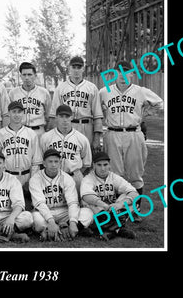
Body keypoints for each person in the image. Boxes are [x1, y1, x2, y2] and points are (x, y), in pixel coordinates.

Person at [99, 60, 163, 218]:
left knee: (135, 174)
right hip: (112, 134)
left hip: (134, 133)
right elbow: (97, 110)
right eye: (119, 72)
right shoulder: (104, 92)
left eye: (126, 72)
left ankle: (135, 210)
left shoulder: (140, 91)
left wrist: (145, 114)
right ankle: (119, 209)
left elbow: (160, 103)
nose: (122, 75)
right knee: (114, 174)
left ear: (132, 74)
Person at [29, 148, 94, 242]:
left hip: (64, 211)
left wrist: (72, 222)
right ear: (44, 164)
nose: (53, 164)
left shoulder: (67, 178)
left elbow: (72, 202)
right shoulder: (35, 179)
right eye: (50, 161)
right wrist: (51, 221)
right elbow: (39, 204)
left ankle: (54, 232)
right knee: (36, 220)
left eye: (56, 161)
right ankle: (65, 232)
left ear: (60, 163)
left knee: (87, 213)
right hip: (46, 211)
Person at [48, 56, 103, 151]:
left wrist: (97, 138)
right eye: (74, 67)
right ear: (69, 68)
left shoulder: (92, 88)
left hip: (86, 126)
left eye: (79, 67)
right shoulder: (61, 88)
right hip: (67, 126)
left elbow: (97, 115)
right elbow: (54, 115)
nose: (76, 70)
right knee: (68, 156)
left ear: (83, 69)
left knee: (87, 157)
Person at [0, 101, 42, 209]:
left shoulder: (31, 133)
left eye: (19, 112)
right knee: (8, 208)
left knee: (28, 208)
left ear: (23, 113)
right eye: (14, 112)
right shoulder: (0, 134)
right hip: (8, 175)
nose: (17, 115)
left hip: (26, 176)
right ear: (9, 113)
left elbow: (36, 161)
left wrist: (32, 180)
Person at [80, 151, 138, 239]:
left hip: (113, 209)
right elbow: (87, 197)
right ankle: (118, 229)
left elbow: (134, 193)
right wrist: (104, 205)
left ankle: (109, 231)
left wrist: (120, 204)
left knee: (132, 203)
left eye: (105, 164)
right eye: (99, 165)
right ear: (94, 165)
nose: (103, 168)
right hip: (97, 210)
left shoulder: (114, 177)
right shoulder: (88, 178)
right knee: (88, 208)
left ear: (109, 165)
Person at [40, 104, 92, 196]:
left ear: (71, 117)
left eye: (67, 116)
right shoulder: (46, 137)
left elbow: (86, 163)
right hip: (52, 177)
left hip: (74, 177)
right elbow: (41, 160)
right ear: (56, 117)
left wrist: (75, 173)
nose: (64, 120)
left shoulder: (81, 138)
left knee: (76, 206)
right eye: (61, 116)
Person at [8, 62, 51, 137]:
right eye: (24, 75)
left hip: (39, 131)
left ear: (35, 76)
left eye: (29, 74)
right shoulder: (13, 93)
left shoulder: (44, 93)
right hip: (19, 131)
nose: (27, 78)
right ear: (20, 76)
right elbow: (9, 115)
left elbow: (49, 115)